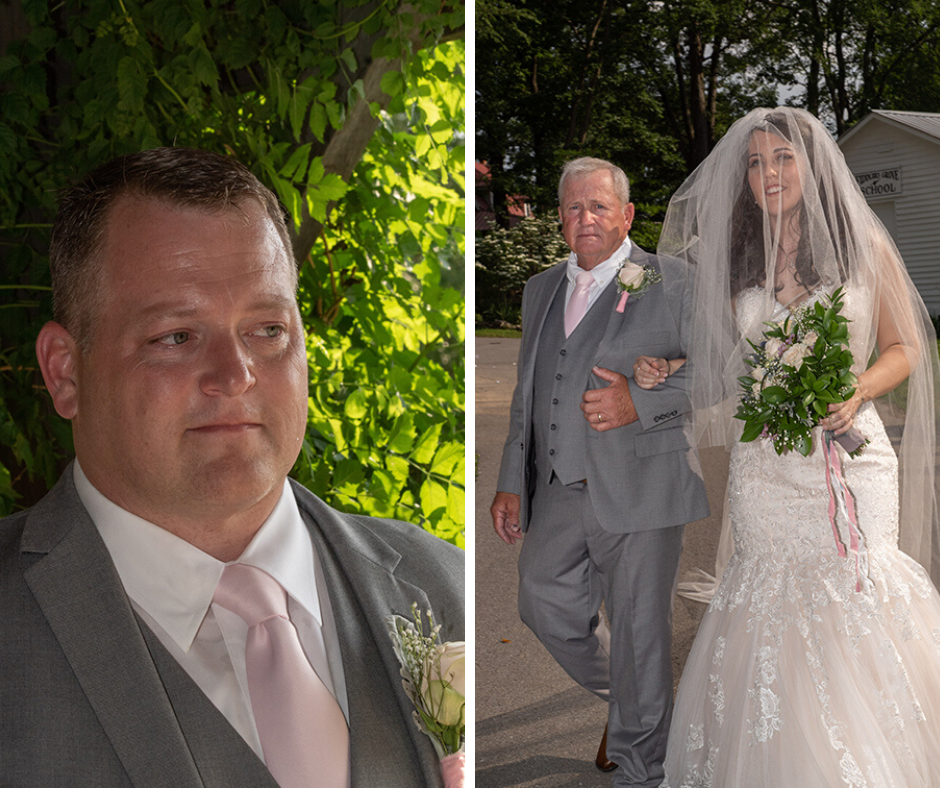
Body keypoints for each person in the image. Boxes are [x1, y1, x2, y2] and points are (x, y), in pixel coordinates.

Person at [0, 147, 464, 788]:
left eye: (268, 329)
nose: (236, 374)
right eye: (176, 337)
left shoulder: (448, 587)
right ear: (65, 370)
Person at [634, 107, 940, 786]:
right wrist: (669, 370)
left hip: (850, 460)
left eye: (782, 159)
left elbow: (906, 346)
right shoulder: (736, 260)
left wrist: (858, 389)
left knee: (856, 592)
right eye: (754, 163)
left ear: (811, 165)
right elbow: (727, 364)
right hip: (766, 468)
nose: (768, 173)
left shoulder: (864, 247)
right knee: (769, 598)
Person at [490, 157, 709, 788]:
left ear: (628, 215)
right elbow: (530, 393)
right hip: (559, 486)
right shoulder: (539, 288)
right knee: (543, 601)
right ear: (559, 217)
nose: (586, 218)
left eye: (600, 207)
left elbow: (725, 370)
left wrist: (639, 401)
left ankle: (642, 771)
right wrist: (512, 478)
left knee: (641, 631)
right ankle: (641, 703)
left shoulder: (673, 280)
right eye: (574, 207)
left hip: (644, 484)